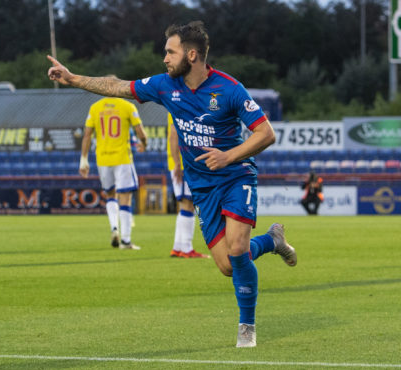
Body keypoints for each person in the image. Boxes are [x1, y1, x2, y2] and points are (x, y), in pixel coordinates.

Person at [47, 20, 297, 348]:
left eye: (170, 51)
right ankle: (271, 240)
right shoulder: (165, 86)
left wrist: (229, 156)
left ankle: (246, 327)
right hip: (202, 185)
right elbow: (118, 86)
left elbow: (266, 133)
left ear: (191, 55)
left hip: (236, 175)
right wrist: (74, 78)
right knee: (227, 267)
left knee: (237, 248)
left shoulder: (230, 89)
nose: (164, 58)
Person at [79, 97, 147, 250]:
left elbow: (87, 135)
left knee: (110, 195)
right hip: (122, 158)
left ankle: (114, 227)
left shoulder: (95, 107)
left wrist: (83, 160)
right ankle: (126, 241)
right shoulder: (127, 106)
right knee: (125, 198)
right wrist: (144, 143)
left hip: (103, 159)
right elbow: (140, 132)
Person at [167, 113, 209, 259]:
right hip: (184, 163)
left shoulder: (175, 103)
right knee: (188, 204)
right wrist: (177, 163)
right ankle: (187, 248)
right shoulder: (178, 105)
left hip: (183, 162)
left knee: (185, 204)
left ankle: (178, 247)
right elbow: (173, 134)